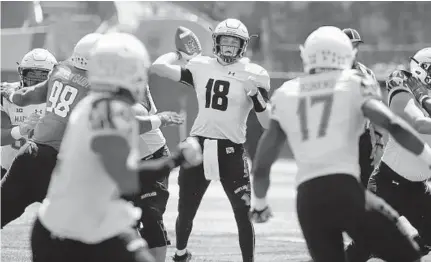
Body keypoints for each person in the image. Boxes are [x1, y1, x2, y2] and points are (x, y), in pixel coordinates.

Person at [249, 26, 429, 262]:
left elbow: (262, 162)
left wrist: (260, 204)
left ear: (306, 55)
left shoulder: (286, 92)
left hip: (308, 198)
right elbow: (394, 126)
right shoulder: (355, 83)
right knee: (406, 255)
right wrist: (427, 156)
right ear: (347, 55)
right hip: (346, 190)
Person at [30, 32, 203, 262]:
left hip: (69, 223)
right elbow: (126, 179)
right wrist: (176, 159)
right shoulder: (111, 112)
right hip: (72, 232)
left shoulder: (89, 105)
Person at [151, 19, 272, 262]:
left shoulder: (256, 73)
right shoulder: (201, 65)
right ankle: (181, 254)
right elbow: (158, 67)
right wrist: (179, 54)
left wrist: (256, 97)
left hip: (232, 149)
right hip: (199, 145)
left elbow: (268, 123)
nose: (229, 47)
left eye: (234, 42)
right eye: (225, 41)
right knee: (186, 209)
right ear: (216, 42)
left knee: (242, 212)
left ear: (243, 46)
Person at [0, 33, 103, 228]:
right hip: (57, 163)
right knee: (81, 227)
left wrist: (13, 95)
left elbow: (26, 96)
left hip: (29, 154)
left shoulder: (60, 70)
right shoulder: (97, 87)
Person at [1, 48, 57, 179]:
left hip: (46, 174)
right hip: (9, 171)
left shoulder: (59, 98)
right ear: (21, 74)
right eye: (31, 79)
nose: (35, 88)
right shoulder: (5, 94)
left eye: (41, 81)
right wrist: (20, 130)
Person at [343, 28, 386, 186]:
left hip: (363, 137)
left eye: (356, 45)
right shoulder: (332, 72)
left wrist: (379, 141)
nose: (353, 49)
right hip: (340, 136)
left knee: (364, 185)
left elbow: (376, 107)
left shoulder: (367, 73)